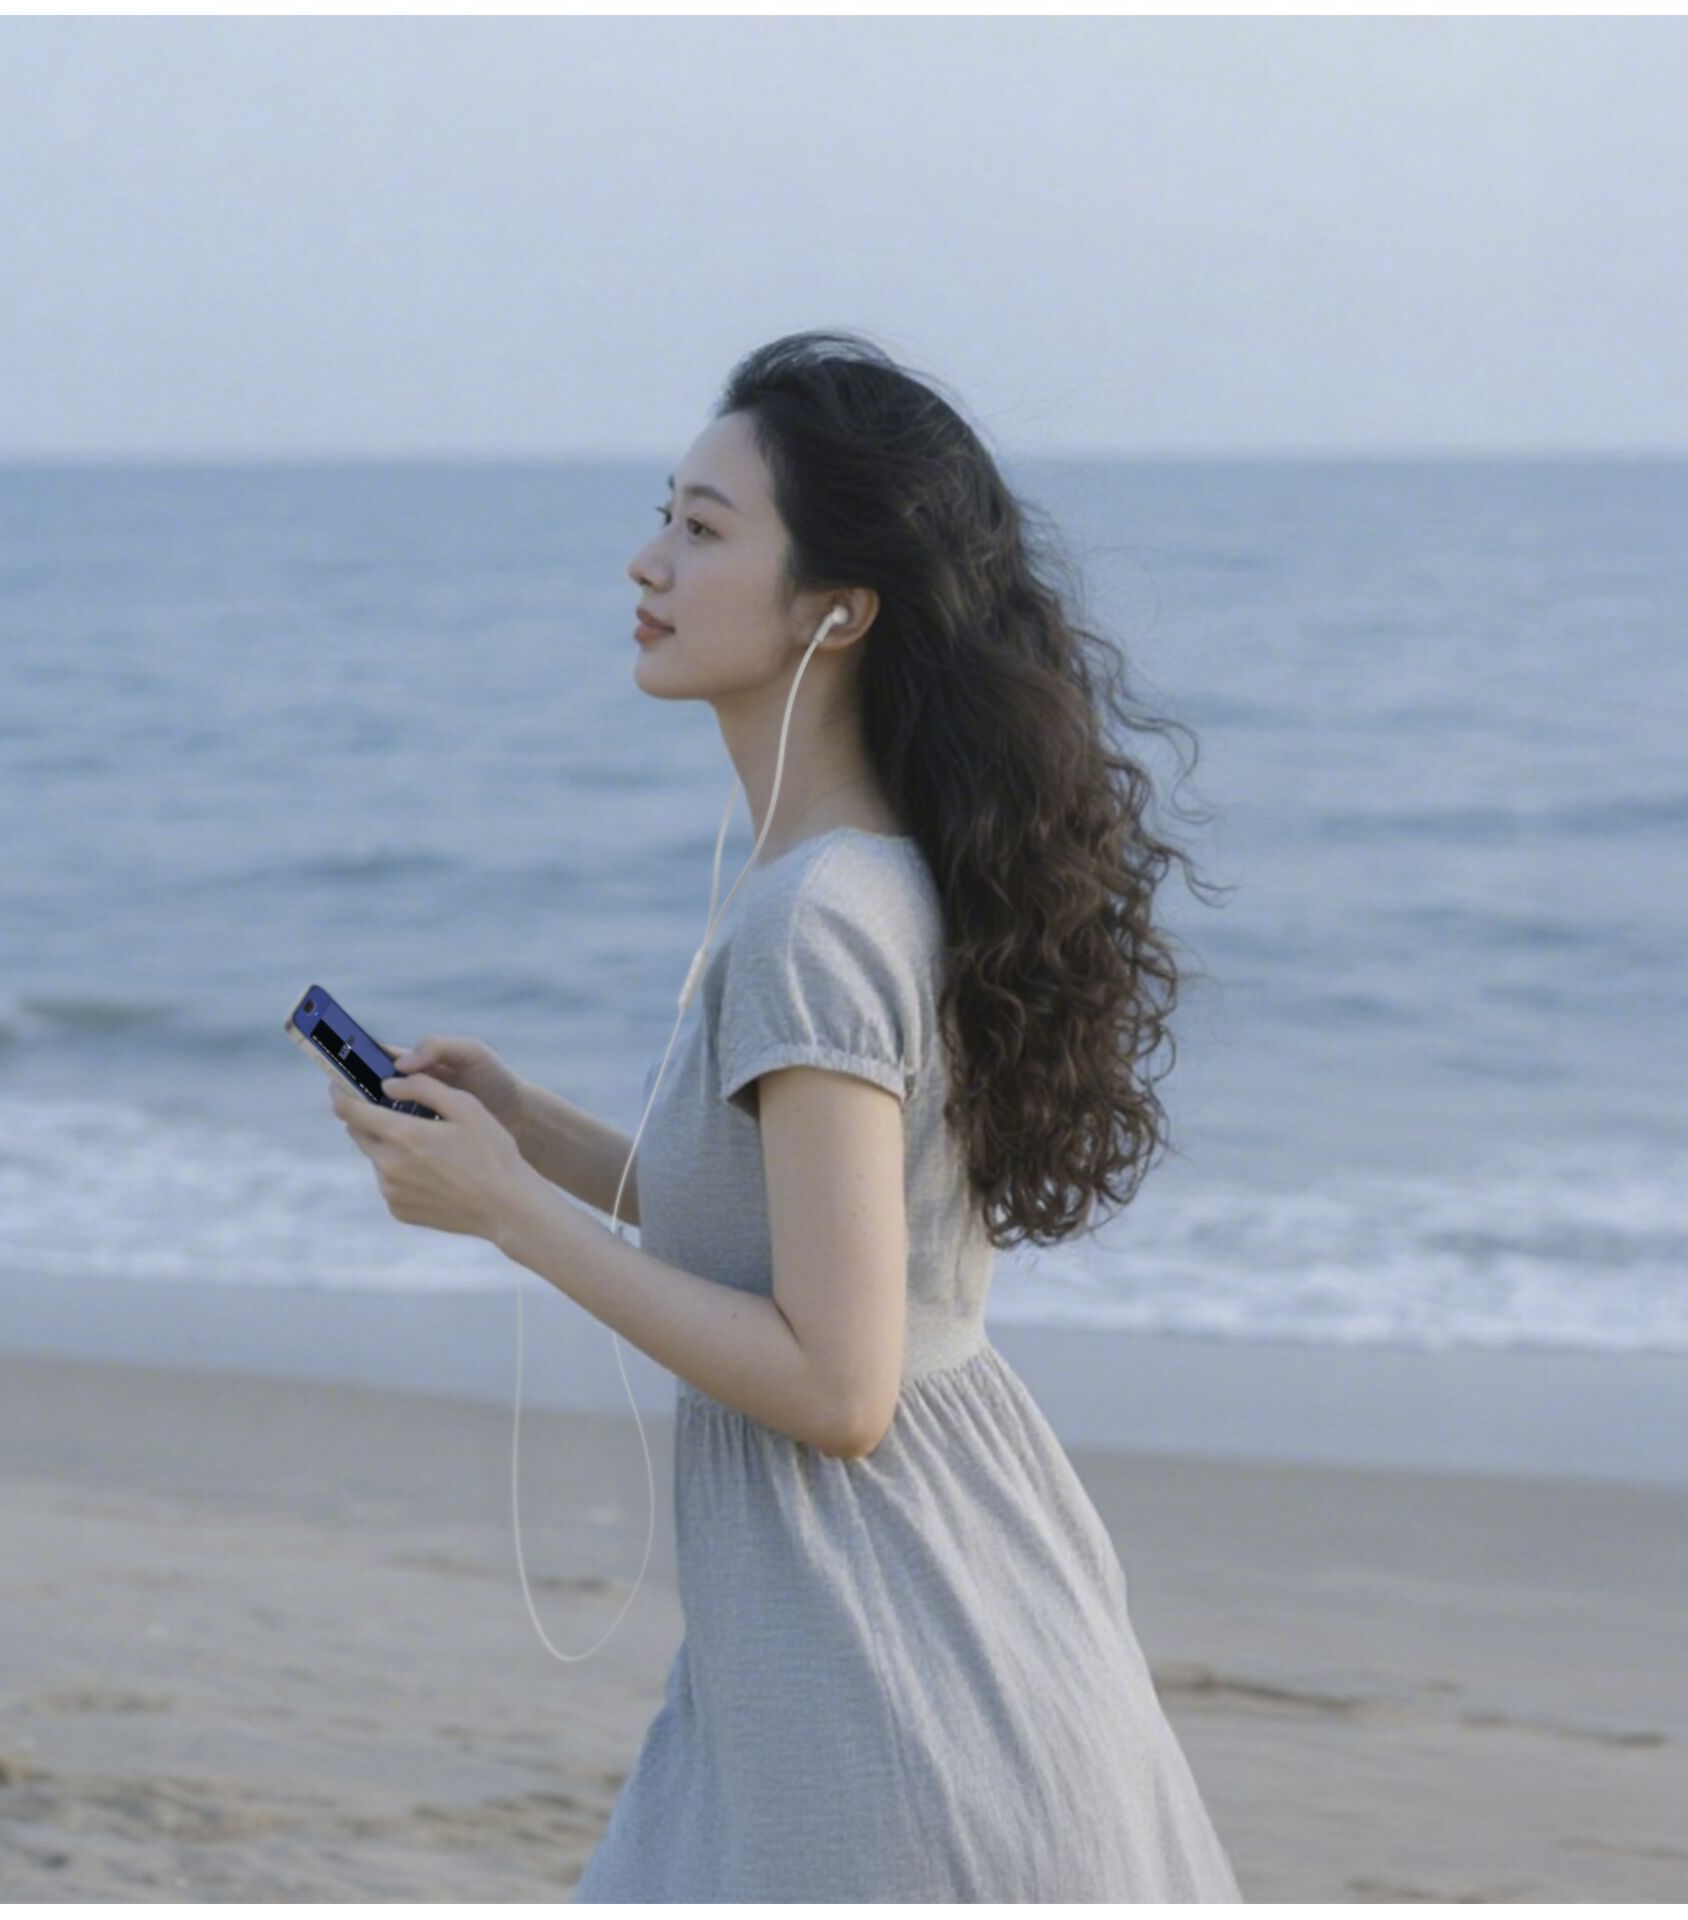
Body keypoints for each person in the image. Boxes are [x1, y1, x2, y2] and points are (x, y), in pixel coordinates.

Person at [546, 330, 1245, 1901]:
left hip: (890, 1656)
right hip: (876, 1624)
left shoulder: (816, 919)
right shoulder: (870, 884)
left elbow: (839, 1382)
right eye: (666, 513)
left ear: (839, 610)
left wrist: (514, 1224)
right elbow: (795, 1234)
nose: (648, 560)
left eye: (705, 531)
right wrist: (529, 1133)